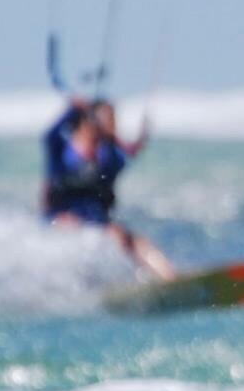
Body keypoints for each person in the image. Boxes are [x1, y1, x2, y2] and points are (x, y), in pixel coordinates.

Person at [41, 95, 176, 280]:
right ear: (90, 119)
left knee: (130, 240)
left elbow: (129, 153)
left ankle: (171, 278)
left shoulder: (109, 155)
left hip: (97, 221)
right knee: (76, 229)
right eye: (108, 120)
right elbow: (49, 136)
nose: (112, 125)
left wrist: (141, 137)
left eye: (114, 120)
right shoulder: (62, 148)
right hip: (63, 218)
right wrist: (72, 110)